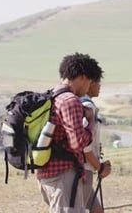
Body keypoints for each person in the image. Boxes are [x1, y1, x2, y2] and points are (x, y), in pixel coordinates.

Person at [37, 52, 104, 213]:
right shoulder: (70, 100)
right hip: (63, 176)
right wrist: (90, 122)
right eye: (89, 81)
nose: (88, 87)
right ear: (82, 77)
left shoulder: (53, 96)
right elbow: (78, 142)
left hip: (47, 174)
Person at [81, 81, 112, 213]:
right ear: (89, 82)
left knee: (97, 210)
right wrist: (100, 168)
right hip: (83, 170)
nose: (100, 86)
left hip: (84, 169)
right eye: (98, 82)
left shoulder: (82, 103)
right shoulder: (88, 106)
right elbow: (84, 145)